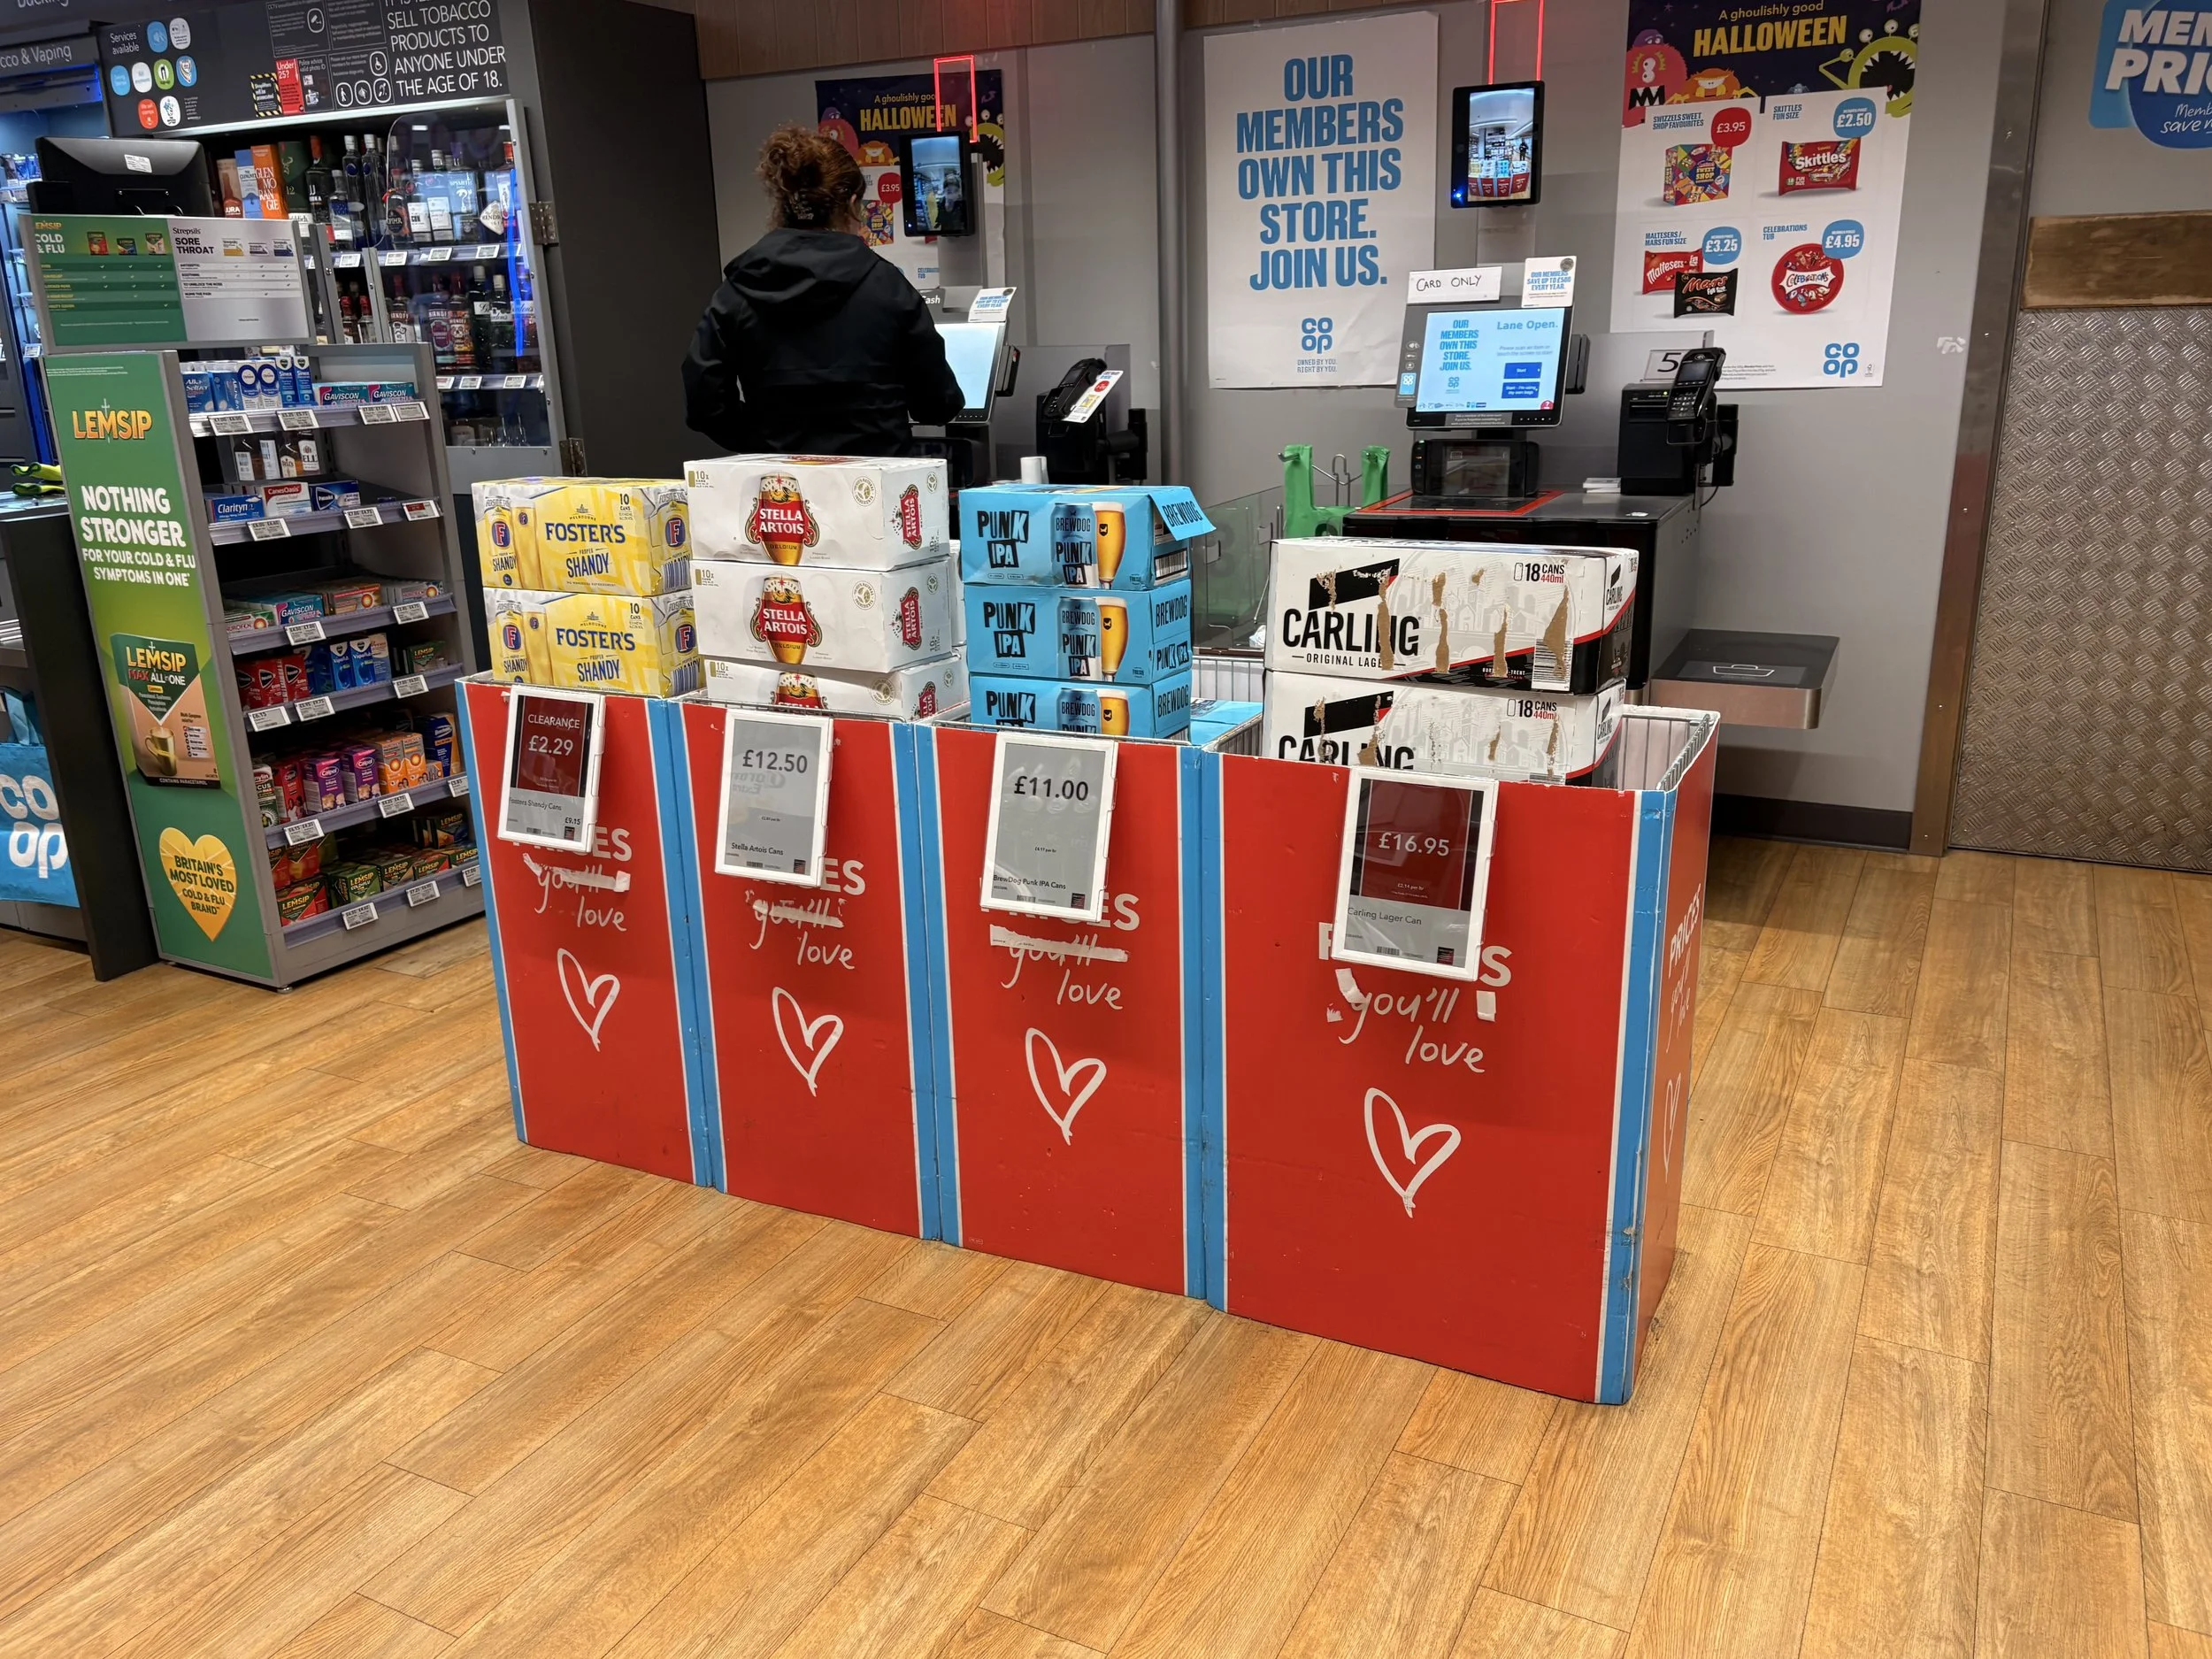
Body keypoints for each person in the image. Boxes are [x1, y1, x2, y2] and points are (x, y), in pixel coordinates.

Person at [683, 126, 965, 457]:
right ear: (852, 203)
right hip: (878, 492)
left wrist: (764, 441)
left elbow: (705, 402)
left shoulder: (736, 293)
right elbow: (936, 406)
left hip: (782, 493)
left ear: (783, 206)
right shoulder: (890, 289)